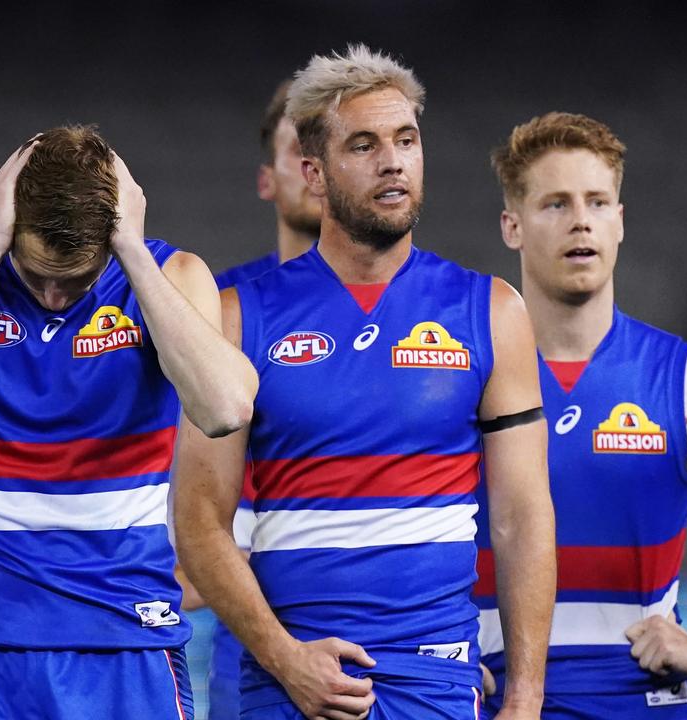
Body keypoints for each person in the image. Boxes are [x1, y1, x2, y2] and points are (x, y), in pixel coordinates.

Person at [173, 44, 556, 720]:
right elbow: (200, 517)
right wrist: (285, 657)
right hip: (287, 682)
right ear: (314, 175)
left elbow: (522, 517)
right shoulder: (238, 317)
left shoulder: (492, 312)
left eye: (407, 140)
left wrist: (526, 695)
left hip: (435, 682)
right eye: (365, 144)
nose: (393, 161)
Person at [0, 125, 258, 719]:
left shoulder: (169, 275)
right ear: (5, 219)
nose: (54, 297)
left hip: (128, 641)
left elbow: (225, 409)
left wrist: (131, 251)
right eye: (37, 273)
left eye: (75, 279)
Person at [474, 111, 687, 719]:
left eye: (598, 202)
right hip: (490, 702)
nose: (580, 220)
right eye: (555, 204)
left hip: (639, 704)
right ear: (512, 226)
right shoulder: (463, 379)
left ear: (619, 222)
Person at [201, 77, 324, 720]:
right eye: (297, 150)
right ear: (266, 179)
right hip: (245, 627)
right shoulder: (216, 311)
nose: (314, 166)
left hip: (409, 630)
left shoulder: (435, 316)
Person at [213, 79, 322, 289]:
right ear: (266, 182)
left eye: (334, 150)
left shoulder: (403, 300)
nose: (319, 165)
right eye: (302, 150)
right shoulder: (220, 300)